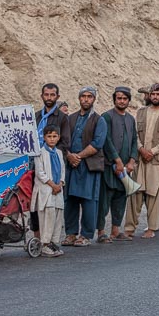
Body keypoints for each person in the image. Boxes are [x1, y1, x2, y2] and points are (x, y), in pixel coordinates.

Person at [125, 84, 159, 239]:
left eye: (158, 94)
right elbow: (134, 134)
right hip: (140, 160)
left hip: (157, 161)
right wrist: (141, 150)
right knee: (135, 193)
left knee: (154, 196)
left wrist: (152, 152)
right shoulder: (140, 113)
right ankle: (129, 228)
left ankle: (152, 228)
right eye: (152, 94)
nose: (155, 97)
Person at [64, 87, 107, 246]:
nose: (86, 99)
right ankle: (70, 234)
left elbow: (97, 144)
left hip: (88, 166)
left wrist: (78, 156)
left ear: (94, 99)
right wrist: (69, 155)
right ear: (79, 98)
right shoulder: (70, 119)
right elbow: (63, 140)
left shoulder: (99, 120)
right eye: (83, 96)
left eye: (89, 96)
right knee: (70, 201)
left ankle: (86, 235)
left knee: (89, 201)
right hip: (71, 166)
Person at [97, 87, 139, 242]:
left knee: (120, 199)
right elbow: (106, 140)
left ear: (128, 100)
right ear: (114, 99)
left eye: (124, 98)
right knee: (104, 200)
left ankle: (116, 230)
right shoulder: (106, 117)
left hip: (126, 168)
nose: (122, 101)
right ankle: (101, 232)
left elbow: (134, 140)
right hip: (110, 167)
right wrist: (117, 160)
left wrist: (132, 160)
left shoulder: (130, 119)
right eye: (119, 98)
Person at [32, 83, 70, 236]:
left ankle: (50, 239)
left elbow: (65, 142)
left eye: (52, 95)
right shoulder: (36, 116)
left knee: (51, 204)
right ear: (42, 96)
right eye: (46, 95)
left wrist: (48, 154)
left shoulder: (62, 118)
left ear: (57, 97)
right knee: (35, 201)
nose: (49, 98)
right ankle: (37, 236)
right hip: (33, 162)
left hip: (52, 163)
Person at [32, 126, 66, 256]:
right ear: (44, 138)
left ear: (58, 138)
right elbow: (40, 173)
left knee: (57, 216)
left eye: (54, 136)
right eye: (49, 136)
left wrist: (60, 183)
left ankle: (53, 242)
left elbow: (62, 170)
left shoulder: (58, 153)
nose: (52, 139)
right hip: (46, 190)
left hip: (58, 190)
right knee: (48, 216)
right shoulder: (40, 153)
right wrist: (52, 185)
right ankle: (45, 244)